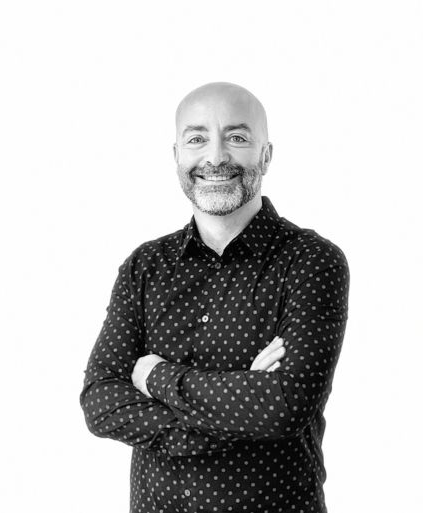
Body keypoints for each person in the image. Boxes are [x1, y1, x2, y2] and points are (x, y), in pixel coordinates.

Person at [79, 81, 350, 513]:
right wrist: (242, 409)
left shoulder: (311, 261)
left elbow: (284, 406)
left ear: (266, 155)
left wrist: (155, 377)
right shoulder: (144, 266)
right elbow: (100, 401)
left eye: (237, 138)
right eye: (197, 139)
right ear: (177, 156)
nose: (216, 156)